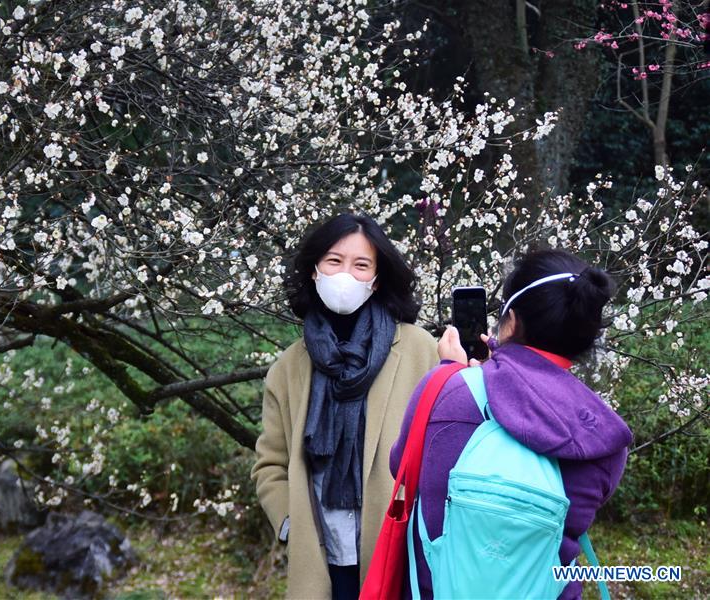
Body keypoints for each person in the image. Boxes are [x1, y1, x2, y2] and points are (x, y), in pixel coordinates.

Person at [390, 249, 632, 599]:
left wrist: (450, 373)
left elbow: (402, 469)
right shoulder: (607, 435)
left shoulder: (446, 390)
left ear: (510, 321)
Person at [252, 213, 440, 599]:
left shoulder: (420, 350)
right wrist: (290, 523)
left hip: (400, 552)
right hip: (323, 554)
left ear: (377, 278)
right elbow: (270, 464)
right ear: (314, 270)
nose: (345, 276)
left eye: (361, 265)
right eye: (334, 261)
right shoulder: (290, 366)